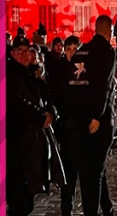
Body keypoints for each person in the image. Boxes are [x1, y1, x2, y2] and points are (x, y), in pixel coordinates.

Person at [65, 14, 117, 216]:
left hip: (78, 119)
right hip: (99, 119)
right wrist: (97, 113)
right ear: (110, 32)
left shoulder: (81, 51)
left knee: (94, 168)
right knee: (93, 174)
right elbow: (103, 84)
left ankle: (107, 208)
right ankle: (92, 212)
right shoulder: (107, 52)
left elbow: (72, 85)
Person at [7, 35, 62, 216]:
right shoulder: (10, 75)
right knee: (18, 196)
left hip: (31, 143)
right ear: (13, 53)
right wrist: (40, 117)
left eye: (27, 51)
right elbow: (17, 104)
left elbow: (47, 97)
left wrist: (50, 113)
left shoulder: (32, 75)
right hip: (16, 139)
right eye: (20, 51)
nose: (24, 55)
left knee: (27, 196)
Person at [49, 36, 82, 216]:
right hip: (66, 128)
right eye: (68, 49)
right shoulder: (59, 70)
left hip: (81, 129)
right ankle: (66, 208)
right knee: (68, 172)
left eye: (74, 49)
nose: (71, 53)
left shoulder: (83, 70)